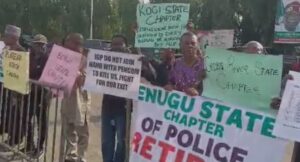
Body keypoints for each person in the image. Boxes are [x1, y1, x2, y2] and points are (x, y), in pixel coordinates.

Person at [61, 33, 90, 162]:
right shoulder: (63, 57)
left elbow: (84, 81)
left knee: (82, 130)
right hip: (67, 98)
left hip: (80, 99)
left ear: (76, 43)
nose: (66, 43)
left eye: (69, 41)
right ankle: (70, 155)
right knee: (68, 128)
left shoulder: (85, 60)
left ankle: (81, 156)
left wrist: (77, 73)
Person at [101, 34, 130, 162]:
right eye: (113, 44)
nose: (116, 47)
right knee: (107, 142)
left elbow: (149, 73)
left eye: (119, 44)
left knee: (121, 142)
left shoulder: (132, 62)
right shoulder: (103, 61)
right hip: (107, 108)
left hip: (123, 109)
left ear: (126, 46)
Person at [23, 34, 50, 156]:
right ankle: (29, 144)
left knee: (41, 122)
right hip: (29, 93)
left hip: (42, 95)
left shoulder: (48, 59)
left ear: (45, 46)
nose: (38, 46)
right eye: (36, 44)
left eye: (41, 44)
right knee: (26, 119)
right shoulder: (29, 57)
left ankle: (40, 147)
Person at [0, 25, 26, 148]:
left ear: (14, 37)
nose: (4, 39)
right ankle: (10, 135)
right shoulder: (6, 49)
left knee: (16, 114)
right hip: (6, 87)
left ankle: (16, 138)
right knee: (8, 112)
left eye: (7, 36)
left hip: (17, 89)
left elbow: (22, 72)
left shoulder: (21, 51)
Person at [165, 32, 206, 96]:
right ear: (180, 45)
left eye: (193, 43)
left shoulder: (205, 65)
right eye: (186, 43)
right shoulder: (175, 64)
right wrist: (169, 86)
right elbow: (171, 82)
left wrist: (198, 92)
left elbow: (211, 90)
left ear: (197, 45)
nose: (190, 46)